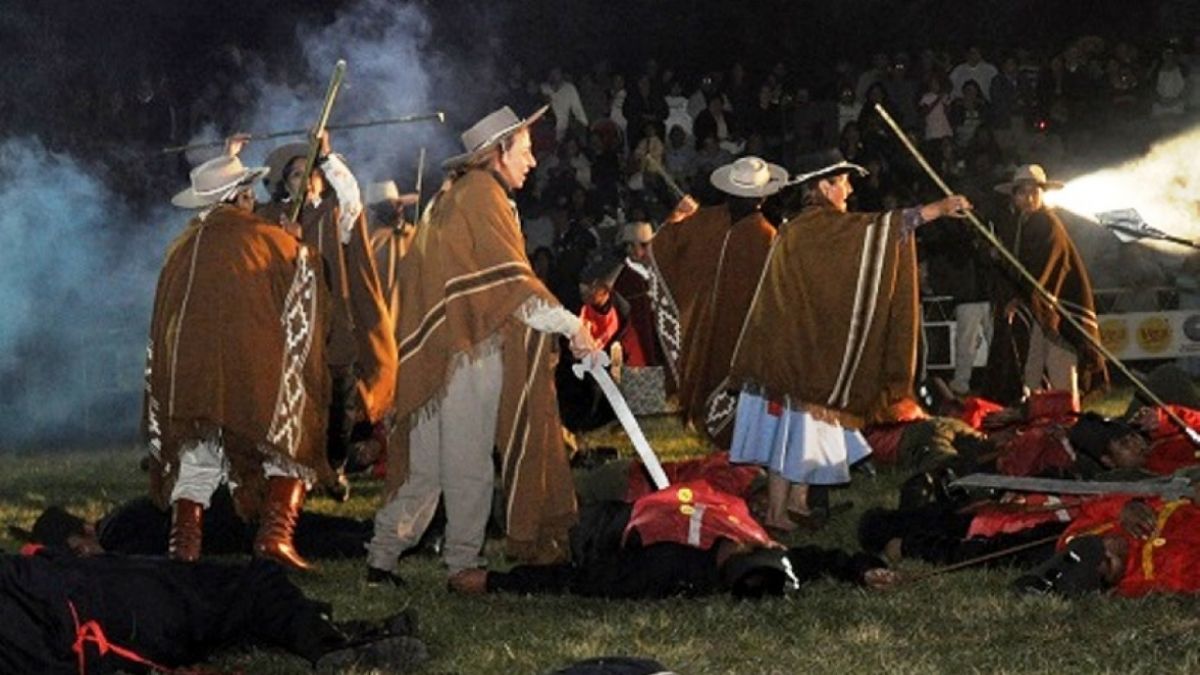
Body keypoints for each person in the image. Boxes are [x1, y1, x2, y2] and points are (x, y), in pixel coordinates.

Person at [367, 106, 596, 587]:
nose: (532, 161)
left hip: (436, 350)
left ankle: (382, 557)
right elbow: (512, 285)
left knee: (426, 468)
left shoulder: (450, 196)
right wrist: (573, 325)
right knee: (468, 462)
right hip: (468, 348)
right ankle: (463, 564)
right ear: (498, 152)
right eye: (525, 151)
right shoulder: (482, 196)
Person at [727, 149, 971, 531]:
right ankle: (777, 512)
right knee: (791, 433)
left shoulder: (806, 227)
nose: (850, 189)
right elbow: (877, 230)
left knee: (799, 432)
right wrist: (936, 209)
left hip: (803, 349)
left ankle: (796, 503)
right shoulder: (816, 228)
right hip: (798, 354)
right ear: (824, 187)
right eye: (843, 182)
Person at [143, 143, 332, 570]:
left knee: (197, 455)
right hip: (250, 368)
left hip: (189, 375)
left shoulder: (180, 248)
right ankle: (275, 536)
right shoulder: (266, 239)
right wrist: (297, 245)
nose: (252, 199)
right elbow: (307, 274)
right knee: (290, 433)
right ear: (241, 195)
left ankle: (184, 547)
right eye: (248, 191)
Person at [0, 549, 425, 674]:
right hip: (110, 609)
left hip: (90, 592)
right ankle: (331, 646)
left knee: (227, 614)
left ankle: (335, 629)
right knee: (254, 582)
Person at [259, 133, 398, 498]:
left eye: (312, 172)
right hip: (290, 329)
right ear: (285, 185)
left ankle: (334, 466)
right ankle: (296, 473)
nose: (306, 180)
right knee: (296, 403)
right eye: (296, 175)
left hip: (334, 326)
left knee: (340, 401)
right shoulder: (270, 218)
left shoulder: (334, 214)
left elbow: (351, 197)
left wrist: (328, 156)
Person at [647, 156, 781, 448]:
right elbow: (664, 245)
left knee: (728, 374)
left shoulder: (764, 237)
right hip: (706, 324)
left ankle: (738, 444)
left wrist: (677, 221)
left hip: (737, 332)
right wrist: (677, 220)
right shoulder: (709, 222)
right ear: (762, 197)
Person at [982, 164, 1105, 404]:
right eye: (1022, 192)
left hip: (1057, 308)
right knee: (1032, 367)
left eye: (1034, 192)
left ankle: (1068, 417)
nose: (1028, 198)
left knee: (1060, 367)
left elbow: (1044, 268)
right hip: (1038, 309)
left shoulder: (1047, 224)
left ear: (1042, 194)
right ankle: (1035, 414)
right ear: (1014, 196)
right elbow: (1017, 267)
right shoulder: (1020, 225)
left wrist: (1019, 298)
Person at [365, 179, 420, 326]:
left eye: (399, 205)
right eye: (394, 205)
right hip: (376, 316)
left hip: (406, 314)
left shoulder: (409, 234)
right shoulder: (368, 239)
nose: (399, 210)